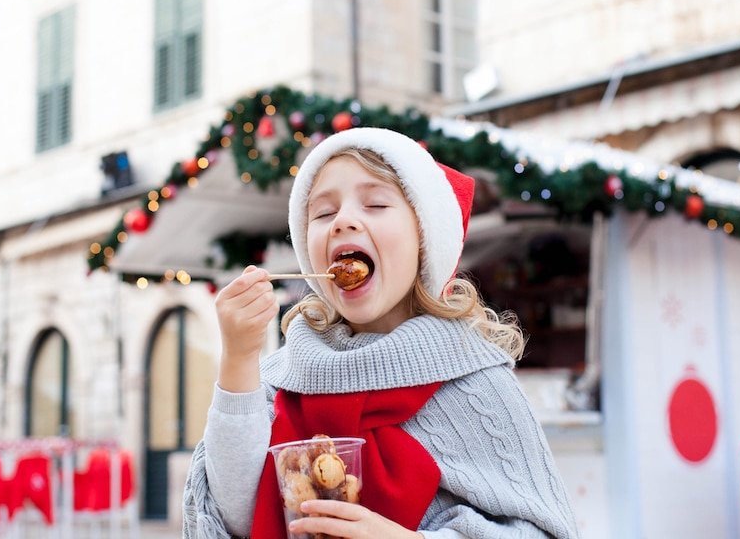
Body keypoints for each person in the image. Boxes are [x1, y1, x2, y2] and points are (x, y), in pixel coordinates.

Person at [184, 127, 580, 538]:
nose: (343, 222)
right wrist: (239, 358)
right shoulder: (278, 377)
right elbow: (235, 515)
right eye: (322, 213)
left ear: (424, 238)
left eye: (375, 203)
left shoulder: (479, 385)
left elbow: (544, 532)